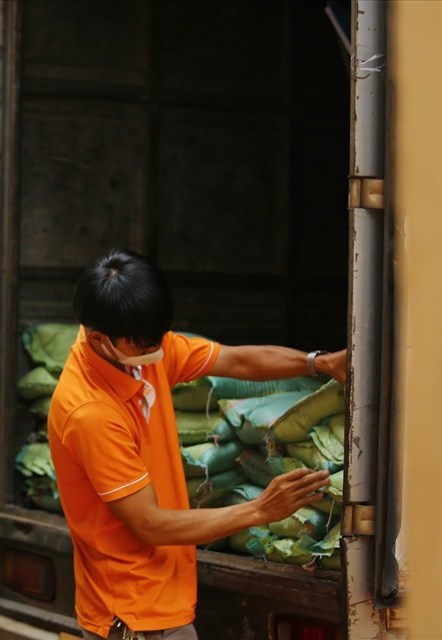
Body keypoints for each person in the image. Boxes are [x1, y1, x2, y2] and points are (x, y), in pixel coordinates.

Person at [47, 248, 347, 640]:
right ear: (99, 338)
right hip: (134, 613)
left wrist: (319, 363)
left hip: (163, 598)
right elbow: (149, 524)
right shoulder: (90, 413)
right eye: (143, 346)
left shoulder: (133, 348)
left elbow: (236, 362)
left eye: (158, 339)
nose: (155, 352)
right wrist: (260, 509)